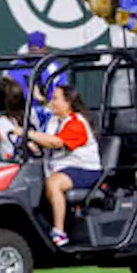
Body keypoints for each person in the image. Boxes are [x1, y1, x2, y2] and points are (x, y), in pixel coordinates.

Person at [27, 84, 101, 247]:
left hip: (86, 170)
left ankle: (59, 233)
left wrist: (28, 133)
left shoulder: (76, 122)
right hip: (60, 168)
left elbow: (56, 142)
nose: (52, 103)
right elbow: (46, 140)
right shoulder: (54, 121)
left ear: (68, 102)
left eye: (55, 99)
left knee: (54, 182)